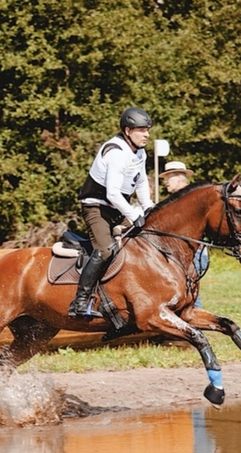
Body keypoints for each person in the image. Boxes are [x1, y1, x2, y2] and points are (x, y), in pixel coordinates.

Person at [68, 107, 154, 318]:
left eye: (147, 130)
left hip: (116, 207)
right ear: (127, 130)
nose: (147, 135)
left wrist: (149, 206)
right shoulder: (116, 153)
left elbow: (141, 181)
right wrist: (135, 216)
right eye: (141, 130)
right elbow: (113, 194)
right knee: (106, 250)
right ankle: (79, 301)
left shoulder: (139, 151)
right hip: (97, 207)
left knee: (146, 239)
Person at [159, 160, 209, 308]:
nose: (166, 182)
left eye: (169, 178)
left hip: (193, 254)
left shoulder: (190, 199)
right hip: (182, 254)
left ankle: (196, 325)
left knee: (190, 295)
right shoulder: (177, 200)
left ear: (179, 177)